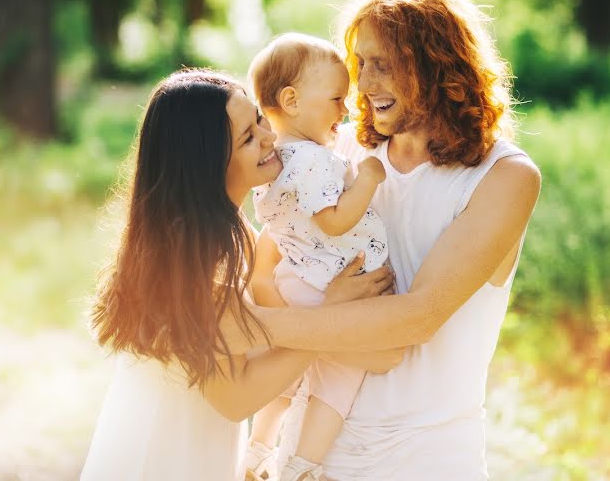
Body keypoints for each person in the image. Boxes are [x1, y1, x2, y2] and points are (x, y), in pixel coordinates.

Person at [248, 0, 542, 480]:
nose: (363, 84)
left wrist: (249, 328)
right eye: (360, 64)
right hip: (310, 455)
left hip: (426, 461)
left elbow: (415, 318)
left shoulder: (504, 177)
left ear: (436, 63)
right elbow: (268, 268)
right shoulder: (337, 155)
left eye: (383, 65)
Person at [80, 70, 402, 481]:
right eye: (248, 138)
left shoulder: (229, 233)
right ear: (207, 162)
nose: (269, 138)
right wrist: (329, 315)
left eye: (260, 120)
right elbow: (236, 397)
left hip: (191, 447)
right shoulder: (195, 257)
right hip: (162, 455)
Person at [243, 34, 389, 481]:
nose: (344, 110)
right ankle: (302, 467)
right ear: (290, 100)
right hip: (326, 281)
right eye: (336, 99)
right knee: (337, 379)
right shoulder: (313, 161)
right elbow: (334, 220)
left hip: (298, 275)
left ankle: (257, 449)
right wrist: (367, 177)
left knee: (288, 377)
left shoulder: (272, 160)